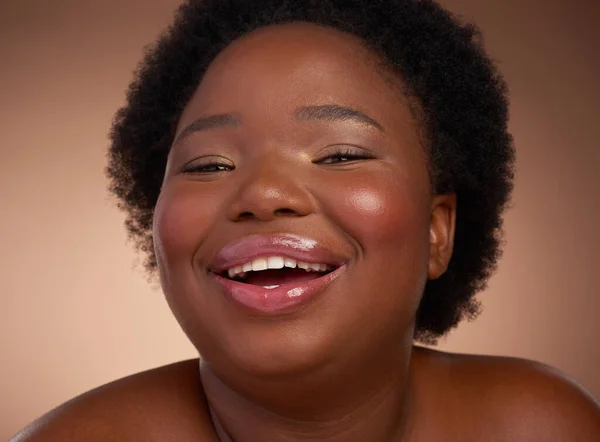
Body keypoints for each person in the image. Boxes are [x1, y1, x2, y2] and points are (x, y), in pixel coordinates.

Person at [12, 0, 600, 440]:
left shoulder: (537, 427)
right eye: (209, 163)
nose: (263, 194)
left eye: (340, 155)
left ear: (436, 231)